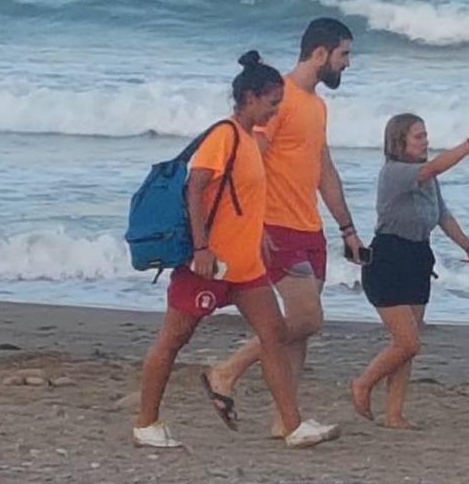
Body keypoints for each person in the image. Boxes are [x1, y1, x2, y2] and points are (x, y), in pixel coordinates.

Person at [133, 51, 339, 449]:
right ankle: (146, 422)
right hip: (210, 265)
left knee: (273, 334)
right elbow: (195, 190)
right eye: (272, 103)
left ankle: (292, 425)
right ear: (249, 98)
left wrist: (257, 233)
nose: (275, 110)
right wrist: (202, 247)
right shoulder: (224, 136)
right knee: (173, 339)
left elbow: (241, 197)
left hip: (246, 266)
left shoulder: (247, 139)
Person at [203, 18, 364, 438]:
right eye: (344, 54)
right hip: (277, 226)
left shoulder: (318, 106)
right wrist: (252, 224)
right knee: (307, 319)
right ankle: (226, 371)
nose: (347, 63)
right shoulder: (280, 98)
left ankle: (286, 421)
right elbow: (249, 161)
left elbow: (324, 170)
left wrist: (347, 228)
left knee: (300, 332)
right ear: (319, 53)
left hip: (310, 227)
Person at [351, 114, 469, 427]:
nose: (425, 141)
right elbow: (432, 168)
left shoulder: (428, 179)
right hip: (389, 258)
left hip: (418, 256)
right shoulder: (394, 172)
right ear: (399, 142)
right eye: (418, 137)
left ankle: (394, 414)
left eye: (425, 135)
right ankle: (363, 383)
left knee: (408, 347)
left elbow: (443, 216)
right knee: (407, 342)